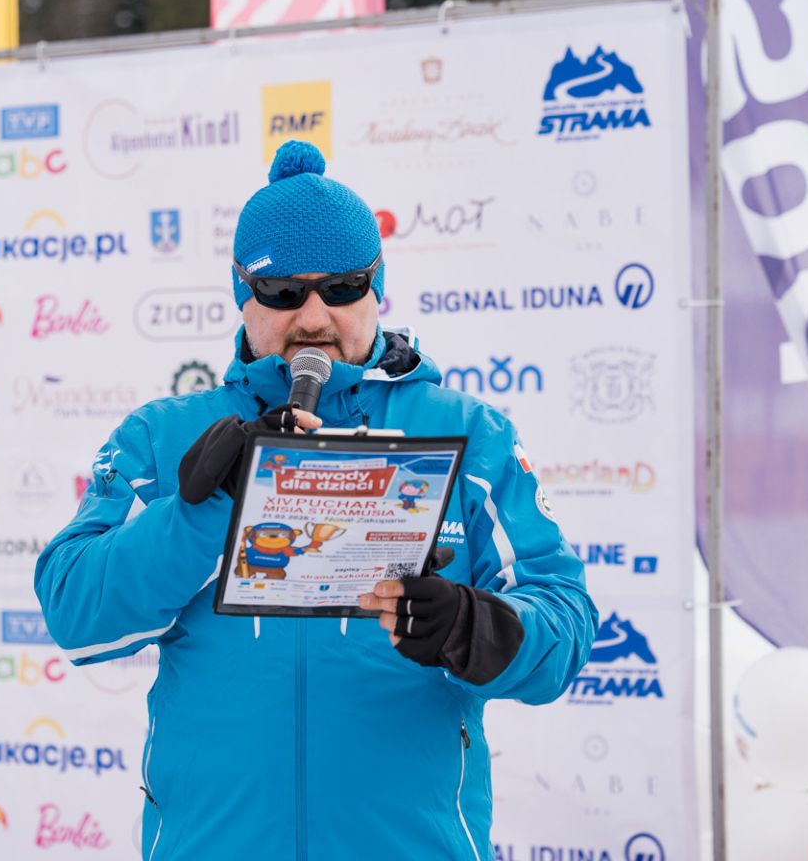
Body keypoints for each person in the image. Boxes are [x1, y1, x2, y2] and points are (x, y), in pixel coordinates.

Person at [34, 140, 598, 861]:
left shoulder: (469, 436)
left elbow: (564, 621)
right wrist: (203, 512)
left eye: (341, 288)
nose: (312, 317)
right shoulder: (163, 436)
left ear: (375, 288)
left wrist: (472, 627)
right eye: (281, 292)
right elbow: (78, 616)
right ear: (242, 292)